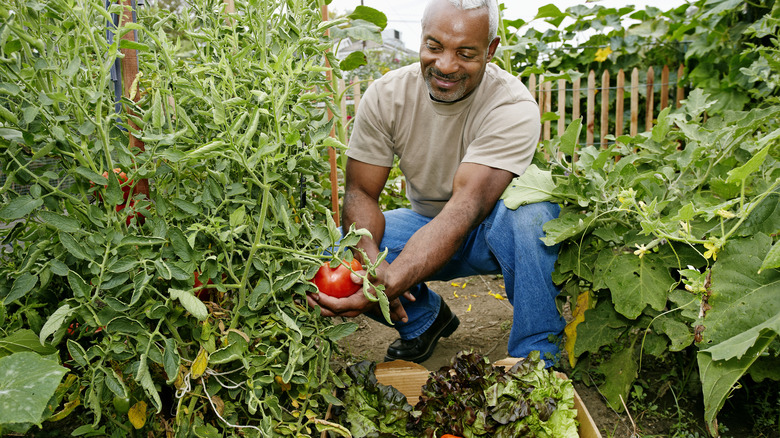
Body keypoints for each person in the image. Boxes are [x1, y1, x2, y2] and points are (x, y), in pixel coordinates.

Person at [307, 0, 565, 365]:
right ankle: (425, 320)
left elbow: (467, 208)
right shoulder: (387, 95)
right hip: (425, 224)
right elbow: (362, 191)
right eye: (434, 46)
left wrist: (393, 280)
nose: (445, 65)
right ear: (421, 38)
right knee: (338, 250)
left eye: (465, 53)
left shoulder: (511, 106)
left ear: (490, 51)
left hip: (493, 231)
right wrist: (370, 263)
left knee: (534, 216)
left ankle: (537, 359)